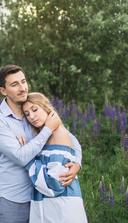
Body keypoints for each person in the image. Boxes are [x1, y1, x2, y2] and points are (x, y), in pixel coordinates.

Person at [0, 65, 82, 223]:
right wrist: (47, 129)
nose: (22, 88)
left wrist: (77, 163)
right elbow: (21, 157)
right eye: (14, 84)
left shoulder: (33, 113)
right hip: (12, 201)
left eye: (23, 81)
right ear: (3, 90)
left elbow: (71, 139)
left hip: (40, 198)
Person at [21, 92, 87, 223]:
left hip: (62, 209)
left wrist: (26, 161)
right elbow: (76, 144)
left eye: (35, 109)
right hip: (50, 208)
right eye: (27, 114)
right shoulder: (43, 135)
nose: (32, 116)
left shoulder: (58, 134)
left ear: (46, 108)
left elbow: (54, 184)